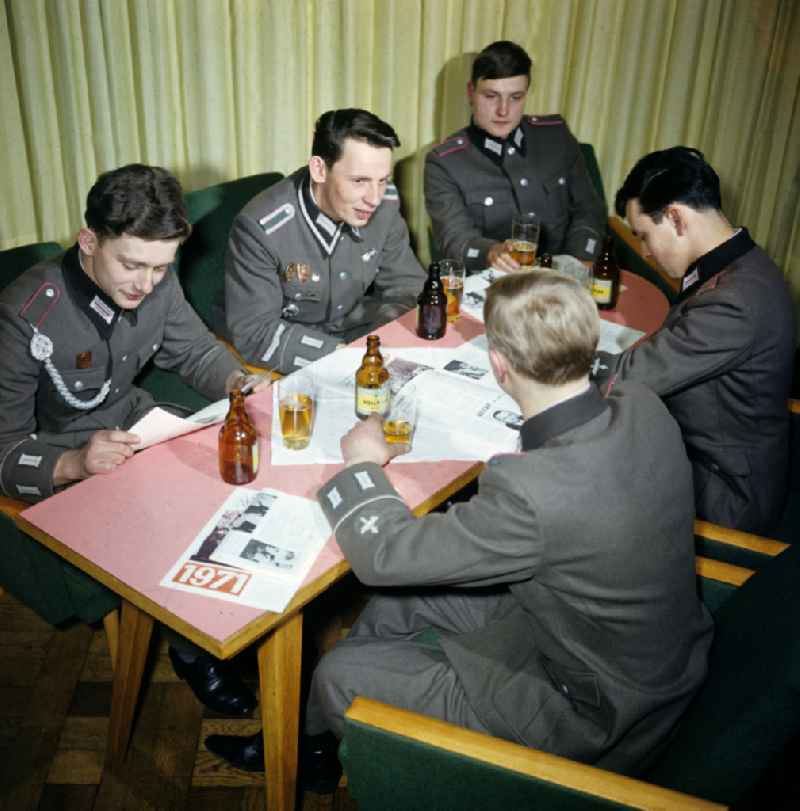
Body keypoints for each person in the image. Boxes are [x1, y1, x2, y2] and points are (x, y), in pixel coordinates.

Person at [206, 271, 712, 785]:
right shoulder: (643, 406)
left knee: (339, 676)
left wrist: (360, 465)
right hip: (642, 656)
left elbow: (384, 556)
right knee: (400, 603)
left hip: (593, 712)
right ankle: (315, 747)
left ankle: (363, 747)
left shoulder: (530, 493)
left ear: (498, 365)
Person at [0, 163, 268, 717]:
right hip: (62, 466)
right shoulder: (26, 315)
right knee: (170, 519)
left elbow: (193, 350)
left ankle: (232, 619)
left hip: (134, 432)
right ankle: (197, 652)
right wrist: (73, 462)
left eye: (160, 267)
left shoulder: (156, 279)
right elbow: (2, 449)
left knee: (241, 490)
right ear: (89, 240)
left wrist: (236, 380)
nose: (146, 284)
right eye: (132, 265)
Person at [592, 146, 795, 534]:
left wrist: (555, 355)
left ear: (675, 217)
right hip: (717, 456)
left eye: (645, 237)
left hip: (724, 493)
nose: (647, 254)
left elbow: (631, 377)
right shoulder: (743, 265)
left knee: (572, 482)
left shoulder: (734, 302)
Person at [219, 108, 426, 374]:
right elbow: (256, 332)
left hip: (357, 330)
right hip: (287, 348)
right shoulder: (261, 227)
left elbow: (406, 284)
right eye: (359, 180)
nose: (374, 198)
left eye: (383, 180)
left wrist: (381, 339)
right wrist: (346, 357)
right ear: (319, 169)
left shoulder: (384, 202)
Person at [424, 40, 607, 273]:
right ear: (471, 93)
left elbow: (589, 208)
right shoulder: (445, 162)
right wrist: (491, 252)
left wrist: (581, 259)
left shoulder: (556, 135)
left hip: (567, 275)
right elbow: (455, 238)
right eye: (491, 96)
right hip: (501, 285)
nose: (503, 111)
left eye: (515, 97)